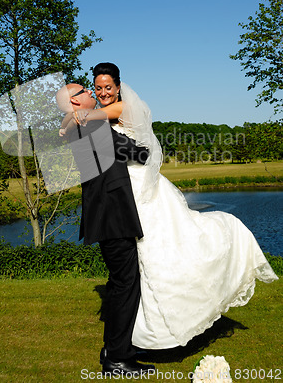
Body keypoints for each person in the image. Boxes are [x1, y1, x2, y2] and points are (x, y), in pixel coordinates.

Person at [67, 62, 278, 351]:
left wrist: (78, 116)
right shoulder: (93, 121)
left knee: (166, 249)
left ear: (117, 87)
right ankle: (131, 335)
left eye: (107, 87)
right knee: (141, 263)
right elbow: (93, 138)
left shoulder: (121, 108)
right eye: (98, 87)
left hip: (138, 188)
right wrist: (71, 120)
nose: (103, 92)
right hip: (123, 196)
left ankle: (133, 336)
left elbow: (115, 132)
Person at [56, 83, 155, 376]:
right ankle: (117, 359)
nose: (91, 92)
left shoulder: (82, 126)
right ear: (75, 103)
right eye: (84, 91)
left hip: (106, 216)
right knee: (126, 284)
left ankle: (115, 348)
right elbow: (135, 154)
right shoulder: (92, 128)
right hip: (113, 217)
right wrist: (147, 145)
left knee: (118, 284)